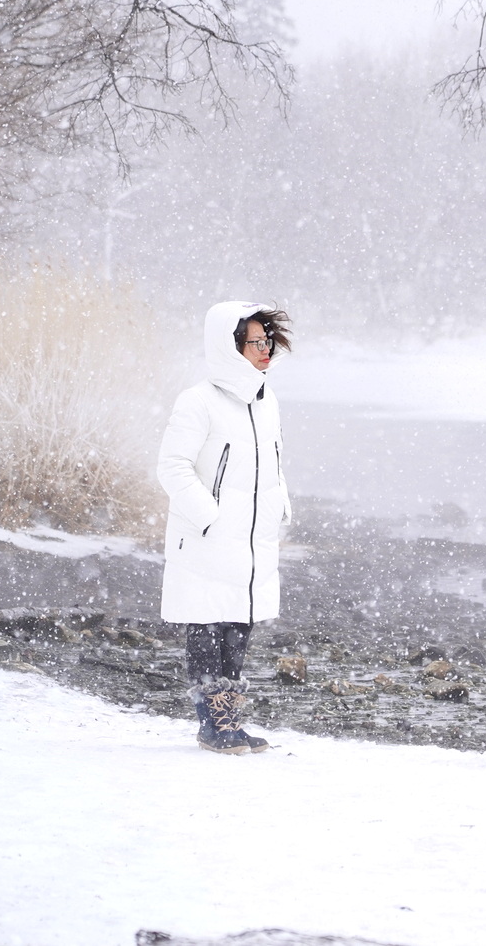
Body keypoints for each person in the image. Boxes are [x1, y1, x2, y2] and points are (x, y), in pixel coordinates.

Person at [157, 301, 292, 754]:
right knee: (206, 629)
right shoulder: (198, 401)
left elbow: (272, 463)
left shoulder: (265, 400)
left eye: (266, 340)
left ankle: (228, 722)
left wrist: (280, 505)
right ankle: (212, 726)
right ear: (230, 347)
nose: (265, 349)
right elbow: (172, 466)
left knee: (239, 627)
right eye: (255, 342)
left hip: (251, 540)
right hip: (206, 539)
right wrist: (209, 516)